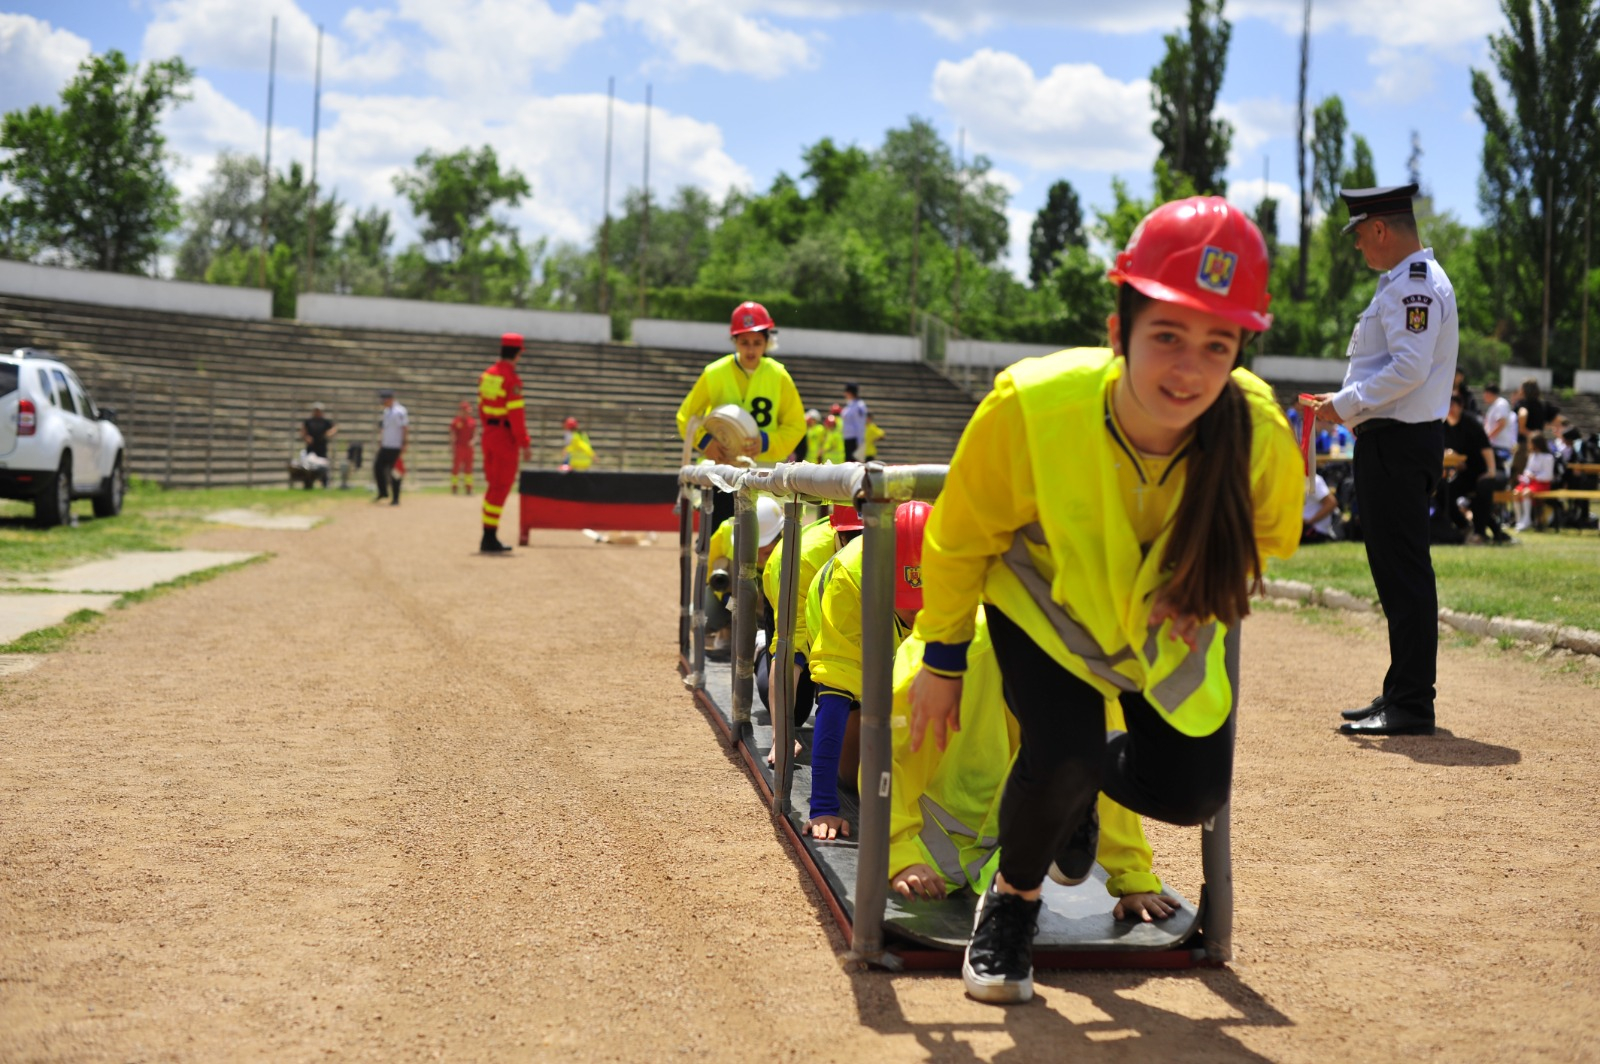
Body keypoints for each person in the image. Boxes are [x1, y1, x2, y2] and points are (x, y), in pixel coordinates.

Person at [904, 197, 1303, 1004]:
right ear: (1118, 332)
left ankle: (1077, 795)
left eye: (1216, 345)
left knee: (1193, 793)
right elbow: (958, 539)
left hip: (1161, 614)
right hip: (1043, 602)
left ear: (1240, 351)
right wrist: (943, 659)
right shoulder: (1031, 405)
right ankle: (1011, 904)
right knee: (1064, 748)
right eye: (1166, 337)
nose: (1188, 370)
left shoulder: (1257, 430)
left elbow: (1270, 535)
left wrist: (1203, 588)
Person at [889, 607, 1178, 924]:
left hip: (1001, 846)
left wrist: (1132, 879)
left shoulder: (1086, 663)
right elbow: (894, 757)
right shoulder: (954, 656)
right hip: (930, 830)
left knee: (1078, 756)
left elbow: (1102, 771)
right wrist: (899, 855)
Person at [1311, 183, 1458, 738]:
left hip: (1398, 441)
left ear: (1379, 228)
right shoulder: (1402, 283)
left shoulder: (1412, 286)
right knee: (1397, 573)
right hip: (1392, 439)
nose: (1357, 247)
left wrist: (1342, 405)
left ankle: (1413, 703)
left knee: (1405, 574)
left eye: (1358, 235)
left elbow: (1408, 369)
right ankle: (1402, 692)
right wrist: (1347, 406)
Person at [803, 501, 930, 841]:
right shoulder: (851, 582)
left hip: (896, 644)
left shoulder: (962, 565)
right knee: (858, 776)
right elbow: (833, 700)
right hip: (848, 636)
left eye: (924, 599)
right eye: (906, 599)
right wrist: (824, 807)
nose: (915, 613)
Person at [675, 302, 807, 528]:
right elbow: (686, 415)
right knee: (720, 537)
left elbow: (796, 425)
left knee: (763, 543)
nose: (751, 349)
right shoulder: (714, 373)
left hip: (764, 476)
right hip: (721, 473)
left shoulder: (779, 375)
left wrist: (765, 442)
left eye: (757, 343)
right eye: (744, 342)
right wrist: (706, 443)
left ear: (767, 342)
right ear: (734, 341)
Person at [759, 505, 863, 740]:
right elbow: (789, 651)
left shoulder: (885, 547)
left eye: (866, 539)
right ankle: (760, 652)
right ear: (838, 533)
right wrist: (781, 738)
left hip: (837, 601)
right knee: (794, 713)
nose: (859, 549)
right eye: (853, 539)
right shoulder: (802, 564)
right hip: (787, 588)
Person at [479, 332, 533, 553]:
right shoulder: (512, 380)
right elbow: (516, 417)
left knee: (493, 487)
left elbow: (481, 408)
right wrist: (524, 443)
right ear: (518, 353)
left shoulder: (487, 375)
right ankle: (489, 538)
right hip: (504, 438)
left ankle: (488, 535)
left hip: (489, 434)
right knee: (501, 487)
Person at [1442, 393, 1512, 545]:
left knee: (1483, 486)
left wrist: (1491, 471)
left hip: (1492, 469)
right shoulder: (1444, 426)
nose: (1449, 409)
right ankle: (1465, 527)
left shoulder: (1470, 422)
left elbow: (1486, 448)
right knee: (1445, 490)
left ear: (1460, 407)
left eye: (1452, 405)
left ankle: (1480, 533)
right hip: (1469, 472)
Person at [1513, 432, 1555, 531]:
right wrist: (1527, 475)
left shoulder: (1548, 457)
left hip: (1542, 484)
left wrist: (1535, 477)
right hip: (1530, 483)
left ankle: (1527, 519)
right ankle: (1519, 520)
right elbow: (1528, 469)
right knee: (1516, 493)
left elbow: (1548, 475)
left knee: (1526, 493)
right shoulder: (1532, 456)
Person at [373, 390, 408, 506]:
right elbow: (384, 428)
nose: (383, 401)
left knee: (395, 472)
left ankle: (396, 498)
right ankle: (383, 492)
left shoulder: (400, 411)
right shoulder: (386, 411)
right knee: (378, 467)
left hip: (395, 446)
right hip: (386, 445)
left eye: (385, 399)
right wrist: (381, 440)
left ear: (391, 399)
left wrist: (404, 443)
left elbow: (404, 428)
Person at [1481, 382, 1517, 467]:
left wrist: (1487, 437)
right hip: (1495, 445)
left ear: (1488, 393)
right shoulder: (1495, 405)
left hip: (1499, 446)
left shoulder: (1501, 404)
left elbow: (1501, 424)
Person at [1301, 473, 1339, 544]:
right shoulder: (1288, 479)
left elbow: (1331, 503)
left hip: (1313, 530)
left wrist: (1309, 522)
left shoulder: (1312, 479)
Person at [450, 400, 477, 495]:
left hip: (469, 448)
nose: (467, 413)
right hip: (459, 447)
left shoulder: (472, 422)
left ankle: (469, 487)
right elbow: (453, 435)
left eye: (468, 411)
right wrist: (453, 446)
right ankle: (454, 487)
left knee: (469, 469)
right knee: (456, 468)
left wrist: (473, 442)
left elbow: (475, 435)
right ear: (461, 411)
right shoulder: (456, 422)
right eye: (465, 411)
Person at [841, 382, 869, 461]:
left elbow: (860, 424)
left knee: (852, 463)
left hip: (854, 440)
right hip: (847, 438)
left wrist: (860, 442)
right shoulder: (849, 405)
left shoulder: (859, 406)